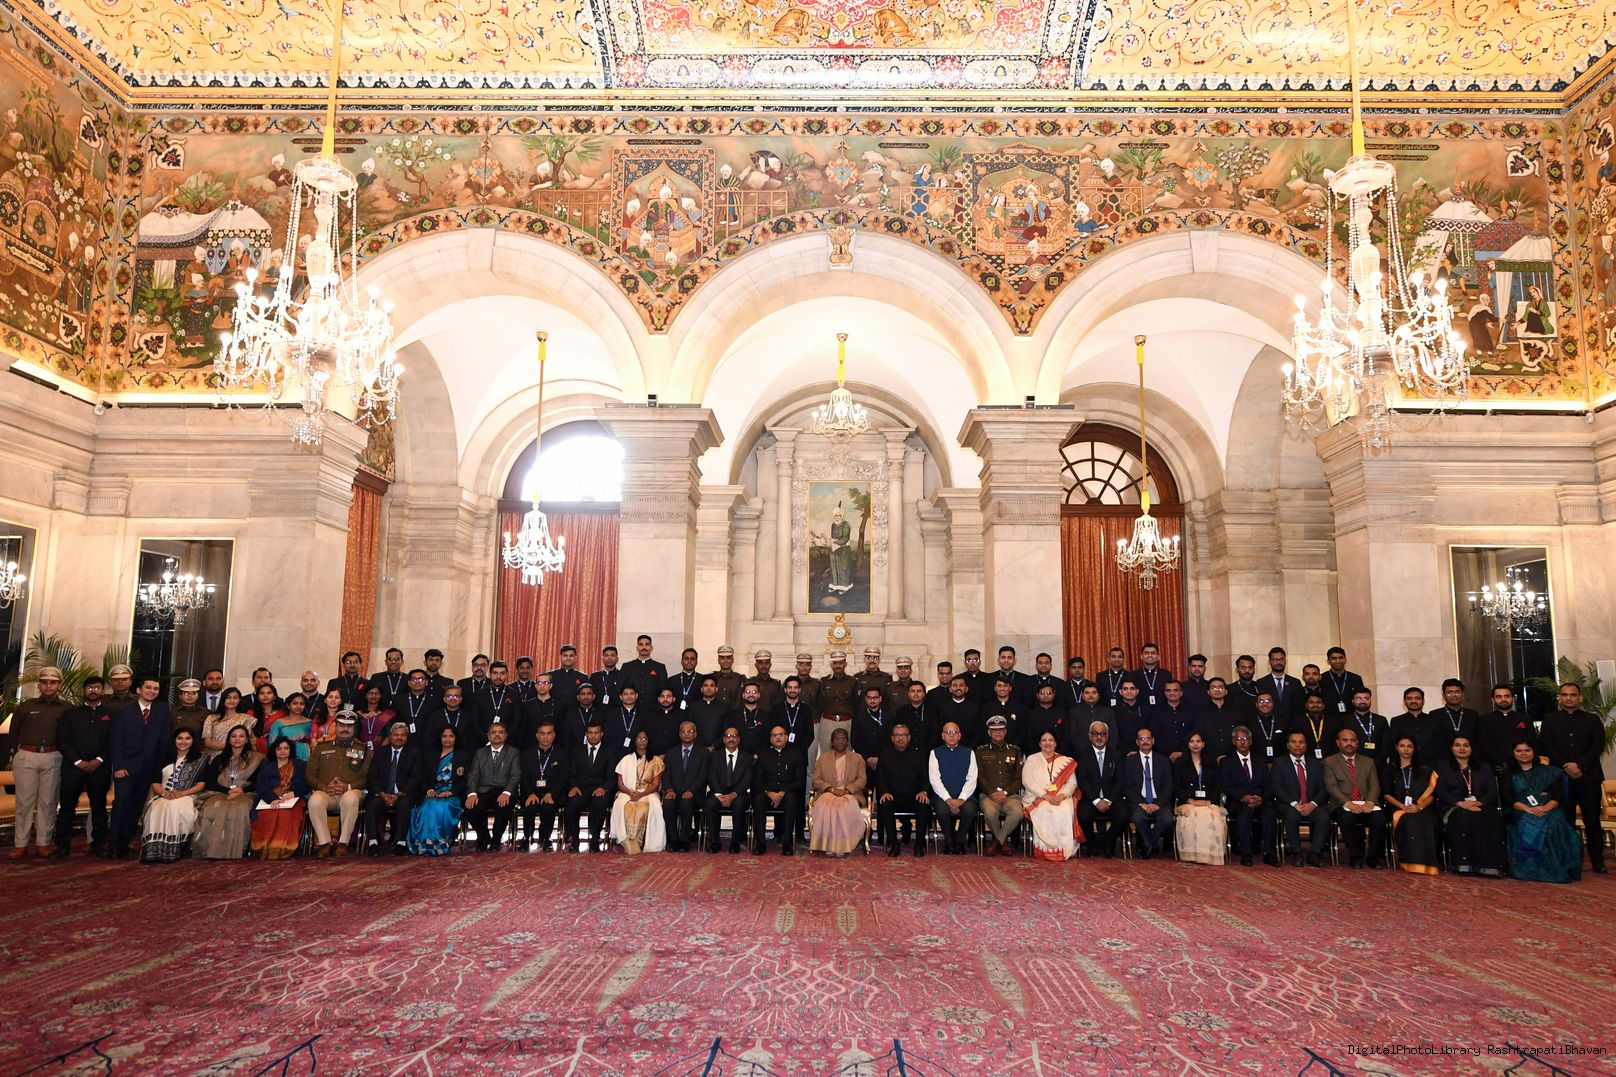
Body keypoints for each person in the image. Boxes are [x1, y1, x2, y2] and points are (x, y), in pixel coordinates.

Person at [1539, 682, 1607, 873]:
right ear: (1559, 698)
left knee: (1592, 820)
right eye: (1565, 694)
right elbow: (1546, 745)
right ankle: (1568, 859)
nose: (1568, 698)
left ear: (1580, 697)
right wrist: (1566, 765)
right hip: (1561, 778)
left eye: (1573, 694)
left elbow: (1597, 745)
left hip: (1588, 777)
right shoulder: (1550, 719)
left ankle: (1597, 860)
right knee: (1565, 820)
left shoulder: (1592, 719)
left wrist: (1579, 765)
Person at [9, 665, 69, 860]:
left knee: (48, 802)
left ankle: (43, 843)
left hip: (53, 756)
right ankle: (21, 844)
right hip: (27, 755)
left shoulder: (67, 708)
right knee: (24, 803)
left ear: (59, 685)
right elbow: (13, 732)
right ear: (39, 685)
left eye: (53, 682)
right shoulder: (26, 706)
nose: (48, 686)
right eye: (44, 682)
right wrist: (14, 755)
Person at [109, 676, 172, 858]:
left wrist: (159, 768)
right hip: (126, 768)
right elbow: (116, 740)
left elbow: (164, 740)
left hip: (149, 768)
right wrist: (118, 766)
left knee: (136, 806)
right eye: (148, 687)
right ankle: (114, 844)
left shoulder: (162, 710)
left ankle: (126, 842)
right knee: (121, 803)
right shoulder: (124, 711)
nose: (151, 691)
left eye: (155, 689)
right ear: (139, 690)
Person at [1505, 739, 1584, 884]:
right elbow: (1508, 798)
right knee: (1532, 822)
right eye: (1519, 750)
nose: (1523, 753)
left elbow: (1558, 795)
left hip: (1548, 808)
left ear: (1534, 752)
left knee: (1555, 821)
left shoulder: (1550, 772)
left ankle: (1561, 866)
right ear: (1513, 753)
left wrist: (1545, 807)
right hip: (1519, 810)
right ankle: (1533, 868)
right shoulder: (1507, 773)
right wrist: (1528, 809)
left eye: (1527, 750)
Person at [54, 675, 113, 859]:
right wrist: (78, 761)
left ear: (103, 690)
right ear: (83, 691)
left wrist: (99, 759)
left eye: (97, 687)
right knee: (66, 808)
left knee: (99, 807)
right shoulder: (70, 714)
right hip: (73, 767)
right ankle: (62, 846)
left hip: (100, 767)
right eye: (89, 688)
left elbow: (114, 740)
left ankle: (98, 844)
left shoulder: (112, 714)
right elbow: (62, 740)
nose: (93, 691)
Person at [1434, 736, 1507, 877]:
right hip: (1454, 806)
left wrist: (1478, 803)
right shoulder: (1443, 767)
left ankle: (1490, 866)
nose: (1462, 748)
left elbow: (1492, 792)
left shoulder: (1484, 767)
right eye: (1457, 745)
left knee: (1491, 817)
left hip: (1480, 805)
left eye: (1466, 745)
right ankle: (1464, 864)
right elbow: (1440, 791)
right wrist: (1460, 803)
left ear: (1472, 748)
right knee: (1464, 817)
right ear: (1451, 748)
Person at [305, 713, 371, 857]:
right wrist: (323, 787)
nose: (345, 729)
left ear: (354, 728)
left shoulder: (364, 750)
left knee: (350, 798)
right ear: (335, 727)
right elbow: (309, 775)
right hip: (326, 792)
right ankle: (325, 844)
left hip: (352, 791)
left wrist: (348, 786)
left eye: (349, 726)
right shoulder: (321, 748)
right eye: (342, 725)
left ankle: (343, 844)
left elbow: (369, 778)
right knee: (315, 801)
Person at [193, 725, 263, 859]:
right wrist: (228, 791)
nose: (237, 739)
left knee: (238, 807)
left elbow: (258, 782)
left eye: (241, 736)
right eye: (234, 736)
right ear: (229, 740)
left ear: (246, 740)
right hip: (220, 792)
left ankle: (235, 850)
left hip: (246, 793)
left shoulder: (257, 759)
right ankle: (211, 849)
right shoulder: (219, 758)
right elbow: (211, 782)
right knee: (213, 806)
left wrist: (241, 790)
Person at [139, 728, 207, 863]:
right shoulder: (163, 758)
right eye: (180, 738)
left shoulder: (200, 759)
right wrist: (165, 794)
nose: (183, 742)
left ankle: (175, 850)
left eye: (187, 738)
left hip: (188, 795)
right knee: (158, 807)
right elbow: (155, 783)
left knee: (177, 806)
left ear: (193, 741)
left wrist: (181, 794)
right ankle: (155, 851)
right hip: (164, 795)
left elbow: (201, 784)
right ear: (174, 740)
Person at [1323, 728, 1384, 868]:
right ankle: (1356, 856)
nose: (1349, 743)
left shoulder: (1368, 762)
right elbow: (1331, 786)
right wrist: (1348, 803)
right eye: (1345, 740)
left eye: (1352, 740)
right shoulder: (1329, 762)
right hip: (1341, 804)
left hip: (1366, 803)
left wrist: (1370, 802)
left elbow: (1375, 785)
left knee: (1379, 819)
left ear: (1357, 743)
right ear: (1338, 743)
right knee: (1347, 819)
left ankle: (1373, 857)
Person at [1380, 735, 1438, 875]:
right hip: (1398, 808)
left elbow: (1432, 794)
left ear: (1414, 748)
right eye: (1402, 746)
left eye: (1409, 746)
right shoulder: (1389, 768)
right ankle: (1410, 862)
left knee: (1426, 820)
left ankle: (1428, 864)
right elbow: (1386, 794)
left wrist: (1419, 807)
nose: (1406, 749)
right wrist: (1402, 806)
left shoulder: (1425, 769)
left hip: (1422, 808)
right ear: (1396, 748)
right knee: (1410, 820)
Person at [364, 722, 424, 855]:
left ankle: (400, 843)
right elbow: (372, 777)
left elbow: (416, 778)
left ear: (407, 737)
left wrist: (398, 794)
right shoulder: (380, 752)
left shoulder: (414, 753)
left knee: (404, 805)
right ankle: (373, 842)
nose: (399, 738)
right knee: (372, 805)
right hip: (382, 793)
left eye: (403, 735)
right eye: (396, 735)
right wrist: (382, 793)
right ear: (390, 736)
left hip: (403, 794)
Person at [1021, 730, 1080, 861]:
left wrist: (1061, 796)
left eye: (1051, 740)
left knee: (1064, 810)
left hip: (1061, 797)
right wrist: (1046, 796)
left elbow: (1072, 783)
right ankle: (1047, 849)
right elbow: (1027, 782)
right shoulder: (1032, 759)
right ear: (1039, 744)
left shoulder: (1066, 761)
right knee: (1046, 809)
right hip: (1037, 798)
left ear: (1055, 743)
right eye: (1044, 740)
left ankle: (1064, 849)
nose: (1047, 743)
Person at [1270, 730, 1328, 866]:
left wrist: (1312, 804)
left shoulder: (1316, 764)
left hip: (1311, 804)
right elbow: (1276, 788)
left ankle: (1314, 853)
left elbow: (1323, 789)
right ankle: (1297, 852)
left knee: (1324, 817)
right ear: (1288, 745)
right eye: (1293, 742)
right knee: (1292, 816)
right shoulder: (1279, 763)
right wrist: (1295, 804)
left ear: (1306, 745)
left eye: (1301, 742)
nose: (1297, 745)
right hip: (1288, 804)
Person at [408, 727, 468, 856]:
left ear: (456, 738)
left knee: (440, 807)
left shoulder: (463, 756)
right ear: (439, 738)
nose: (447, 739)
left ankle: (441, 842)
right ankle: (424, 844)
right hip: (433, 793)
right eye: (444, 736)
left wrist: (451, 792)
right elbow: (421, 777)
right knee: (426, 806)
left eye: (451, 736)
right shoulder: (430, 755)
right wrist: (429, 789)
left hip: (453, 795)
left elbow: (467, 781)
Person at [1218, 726, 1272, 866]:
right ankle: (1246, 854)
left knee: (1270, 814)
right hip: (1238, 802)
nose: (1242, 742)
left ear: (1251, 741)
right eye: (1239, 739)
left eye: (1245, 739)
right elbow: (1226, 786)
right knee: (1244, 814)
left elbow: (1268, 785)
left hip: (1259, 801)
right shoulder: (1227, 762)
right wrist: (1243, 797)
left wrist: (1261, 798)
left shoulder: (1260, 761)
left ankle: (1268, 853)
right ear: (1234, 741)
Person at [809, 727, 867, 857]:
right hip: (828, 792)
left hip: (850, 793)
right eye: (837, 739)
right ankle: (828, 845)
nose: (840, 741)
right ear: (832, 742)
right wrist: (831, 789)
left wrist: (848, 790)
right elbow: (816, 780)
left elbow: (862, 780)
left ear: (847, 741)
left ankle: (842, 846)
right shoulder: (823, 758)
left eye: (843, 739)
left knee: (842, 806)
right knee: (824, 805)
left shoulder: (857, 758)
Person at [876, 723, 932, 857]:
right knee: (885, 803)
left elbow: (927, 778)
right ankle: (894, 844)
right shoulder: (885, 755)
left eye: (903, 735)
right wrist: (884, 792)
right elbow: (880, 777)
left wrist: (924, 791)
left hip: (914, 797)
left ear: (909, 737)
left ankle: (919, 845)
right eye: (897, 735)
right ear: (892, 738)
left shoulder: (919, 755)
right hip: (893, 797)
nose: (900, 738)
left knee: (923, 803)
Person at [465, 721, 521, 852]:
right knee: (470, 807)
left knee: (503, 807)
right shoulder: (479, 753)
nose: (497, 735)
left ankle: (496, 839)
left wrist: (507, 792)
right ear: (488, 736)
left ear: (505, 736)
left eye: (500, 732)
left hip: (504, 791)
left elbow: (515, 776)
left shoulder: (513, 752)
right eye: (494, 732)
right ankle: (484, 837)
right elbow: (473, 775)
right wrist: (472, 793)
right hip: (484, 791)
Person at [1172, 730, 1226, 865]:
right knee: (1194, 815)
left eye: (1198, 741)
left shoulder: (1211, 762)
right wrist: (1189, 800)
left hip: (1208, 801)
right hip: (1188, 802)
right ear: (1188, 744)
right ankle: (1193, 853)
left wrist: (1209, 801)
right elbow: (1177, 787)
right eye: (1192, 741)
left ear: (1203, 744)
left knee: (1212, 815)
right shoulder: (1180, 763)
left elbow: (1217, 786)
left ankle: (1210, 855)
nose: (1195, 744)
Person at [250, 737, 309, 860]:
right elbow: (260, 786)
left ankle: (284, 849)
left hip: (292, 799)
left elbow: (307, 785)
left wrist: (294, 793)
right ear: (274, 750)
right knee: (269, 815)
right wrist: (272, 798)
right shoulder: (266, 765)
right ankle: (264, 849)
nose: (282, 751)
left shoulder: (300, 765)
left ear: (290, 750)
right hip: (269, 799)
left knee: (286, 814)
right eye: (279, 749)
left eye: (286, 748)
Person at [610, 728, 665, 854]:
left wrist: (641, 794)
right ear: (634, 741)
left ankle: (637, 841)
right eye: (639, 738)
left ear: (648, 741)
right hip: (628, 792)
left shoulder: (656, 761)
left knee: (643, 808)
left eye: (644, 738)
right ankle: (627, 840)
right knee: (624, 807)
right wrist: (631, 793)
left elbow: (655, 785)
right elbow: (620, 784)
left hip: (648, 792)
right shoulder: (626, 759)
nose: (642, 741)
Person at [1121, 728, 1174, 859]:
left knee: (1167, 819)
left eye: (1148, 739)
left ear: (1153, 741)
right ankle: (1151, 844)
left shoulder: (1163, 760)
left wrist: (1158, 804)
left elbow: (1168, 786)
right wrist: (1141, 803)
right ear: (1137, 742)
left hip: (1159, 801)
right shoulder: (1129, 761)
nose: (1145, 742)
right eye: (1142, 739)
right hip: (1138, 801)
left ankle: (1147, 844)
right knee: (1138, 818)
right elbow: (1127, 787)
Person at [1075, 720, 1125, 858]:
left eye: (1102, 734)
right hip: (1091, 797)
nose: (1099, 737)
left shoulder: (1117, 754)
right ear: (1089, 736)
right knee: (1083, 815)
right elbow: (1082, 780)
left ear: (1107, 736)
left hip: (1111, 798)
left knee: (1124, 814)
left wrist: (1108, 800)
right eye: (1095, 733)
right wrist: (1096, 801)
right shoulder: (1082, 754)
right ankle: (1092, 844)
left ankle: (1108, 841)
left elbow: (1121, 781)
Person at [975, 716, 1024, 856]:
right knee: (990, 814)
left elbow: (1019, 777)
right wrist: (991, 792)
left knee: (1018, 813)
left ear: (1005, 732)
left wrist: (1006, 792)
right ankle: (1004, 843)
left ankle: (997, 842)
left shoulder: (1015, 750)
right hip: (989, 795)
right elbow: (979, 776)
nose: (998, 732)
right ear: (989, 732)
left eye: (1001, 729)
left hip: (1010, 795)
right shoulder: (981, 751)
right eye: (994, 730)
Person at [752, 725, 803, 855]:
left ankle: (787, 844)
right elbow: (756, 781)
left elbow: (800, 781)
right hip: (767, 794)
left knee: (792, 800)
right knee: (758, 800)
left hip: (787, 793)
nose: (778, 738)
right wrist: (769, 792)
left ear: (786, 737)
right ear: (770, 739)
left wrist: (783, 791)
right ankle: (760, 843)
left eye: (781, 735)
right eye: (775, 735)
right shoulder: (763, 756)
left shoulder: (796, 755)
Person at [929, 721, 979, 855]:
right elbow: (935, 780)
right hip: (942, 797)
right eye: (948, 732)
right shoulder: (935, 753)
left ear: (959, 735)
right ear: (942, 736)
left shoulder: (969, 752)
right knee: (942, 810)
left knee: (969, 810)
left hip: (965, 796)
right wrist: (948, 799)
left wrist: (961, 799)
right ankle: (949, 842)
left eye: (954, 732)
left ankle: (960, 841)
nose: (951, 735)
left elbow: (972, 779)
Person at [519, 721, 568, 851]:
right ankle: (527, 837)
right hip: (531, 792)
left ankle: (546, 838)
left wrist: (551, 794)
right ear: (537, 735)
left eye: (549, 733)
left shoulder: (561, 754)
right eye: (542, 734)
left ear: (554, 735)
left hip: (552, 793)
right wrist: (530, 793)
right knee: (530, 807)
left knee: (548, 807)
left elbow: (563, 779)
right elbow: (523, 778)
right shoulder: (527, 754)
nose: (545, 737)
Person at [703, 725, 753, 854]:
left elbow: (747, 780)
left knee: (739, 804)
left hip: (738, 794)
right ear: (724, 739)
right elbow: (710, 776)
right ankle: (714, 842)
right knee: (710, 803)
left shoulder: (747, 758)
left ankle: (735, 842)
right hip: (718, 792)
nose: (731, 739)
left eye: (734, 736)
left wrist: (733, 794)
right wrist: (719, 794)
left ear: (739, 739)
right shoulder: (714, 756)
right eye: (728, 736)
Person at [568, 721, 617, 852]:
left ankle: (595, 839)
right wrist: (574, 786)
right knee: (572, 802)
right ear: (586, 734)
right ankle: (575, 840)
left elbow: (612, 777)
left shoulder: (610, 752)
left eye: (596, 733)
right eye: (590, 733)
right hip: (581, 790)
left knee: (599, 802)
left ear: (601, 734)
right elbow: (572, 774)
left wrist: (603, 788)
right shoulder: (577, 751)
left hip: (600, 790)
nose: (593, 736)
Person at [660, 720, 708, 852]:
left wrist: (691, 790)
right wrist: (669, 790)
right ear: (679, 734)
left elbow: (703, 776)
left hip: (694, 793)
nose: (687, 734)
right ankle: (673, 840)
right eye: (684, 732)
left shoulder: (703, 753)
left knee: (686, 803)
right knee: (668, 804)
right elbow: (666, 775)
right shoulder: (671, 753)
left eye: (690, 731)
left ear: (695, 734)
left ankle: (684, 840)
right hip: (674, 792)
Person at [201, 689, 254, 759]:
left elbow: (245, 741)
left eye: (235, 698)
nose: (232, 700)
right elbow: (207, 742)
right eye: (228, 697)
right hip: (210, 758)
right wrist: (229, 746)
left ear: (239, 700)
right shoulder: (212, 718)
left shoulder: (246, 719)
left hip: (234, 758)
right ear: (223, 699)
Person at [266, 692, 314, 761]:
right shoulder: (278, 723)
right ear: (288, 705)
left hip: (306, 756)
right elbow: (272, 745)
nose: (298, 706)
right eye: (295, 703)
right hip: (283, 757)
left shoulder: (310, 723)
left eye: (301, 704)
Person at [355, 684, 395, 752]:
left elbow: (388, 737)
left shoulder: (386, 714)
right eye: (370, 693)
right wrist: (363, 748)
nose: (373, 696)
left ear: (381, 696)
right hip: (360, 749)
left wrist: (379, 752)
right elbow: (354, 736)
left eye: (377, 693)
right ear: (366, 695)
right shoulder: (358, 714)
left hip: (380, 751)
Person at [169, 678, 211, 742]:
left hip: (199, 747)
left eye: (193, 693)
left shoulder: (206, 713)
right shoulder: (172, 713)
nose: (190, 696)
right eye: (186, 693)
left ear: (197, 695)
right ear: (180, 696)